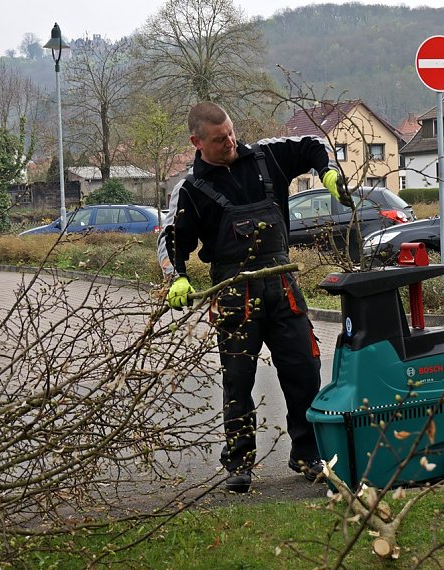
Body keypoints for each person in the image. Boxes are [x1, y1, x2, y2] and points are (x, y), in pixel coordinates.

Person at [157, 102, 350, 493]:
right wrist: (174, 277)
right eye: (218, 139)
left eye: (230, 132)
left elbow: (313, 144)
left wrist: (328, 171)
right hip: (233, 295)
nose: (229, 141)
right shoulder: (191, 188)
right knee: (238, 380)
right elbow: (170, 240)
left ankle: (307, 453)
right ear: (197, 142)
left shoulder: (267, 155)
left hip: (281, 286)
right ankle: (240, 462)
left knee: (304, 369)